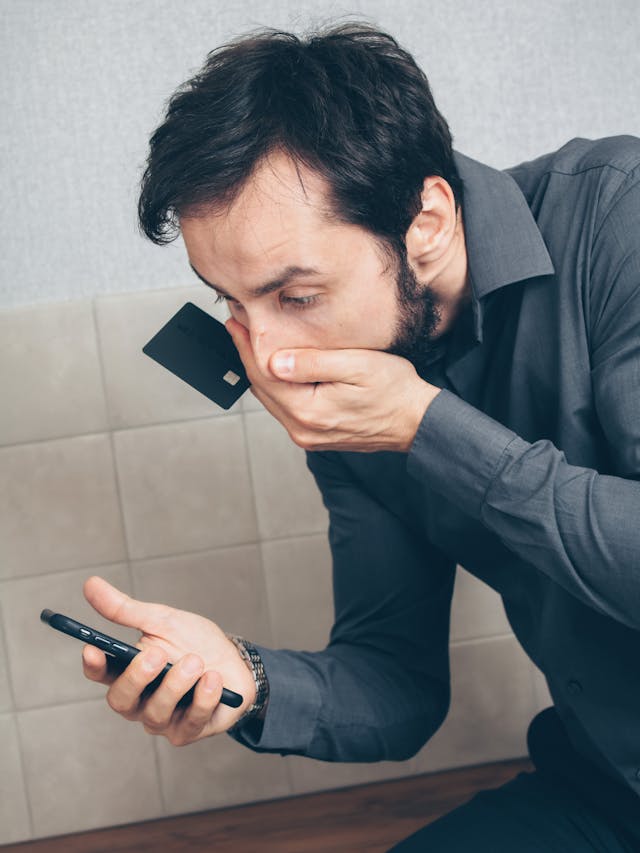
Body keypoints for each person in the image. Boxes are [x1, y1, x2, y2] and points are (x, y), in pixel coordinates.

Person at [81, 23, 640, 851]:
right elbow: (398, 684)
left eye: (295, 295)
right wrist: (248, 678)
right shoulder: (351, 392)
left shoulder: (616, 217)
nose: (269, 355)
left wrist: (427, 425)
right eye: (233, 302)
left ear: (428, 223)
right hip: (606, 788)